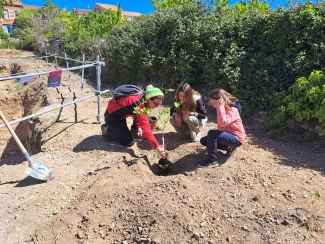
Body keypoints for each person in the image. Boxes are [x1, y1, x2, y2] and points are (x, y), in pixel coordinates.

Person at [101, 84, 168, 159]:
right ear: (149, 99)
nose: (157, 106)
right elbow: (146, 128)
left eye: (159, 104)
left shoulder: (143, 98)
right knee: (128, 142)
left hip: (122, 115)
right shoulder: (138, 103)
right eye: (156, 104)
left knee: (138, 128)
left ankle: (132, 131)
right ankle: (107, 131)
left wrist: (138, 126)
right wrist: (158, 148)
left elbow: (136, 112)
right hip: (113, 117)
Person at [198, 88, 246, 168]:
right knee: (204, 141)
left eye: (214, 103)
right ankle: (229, 147)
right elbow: (221, 126)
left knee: (212, 134)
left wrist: (220, 107)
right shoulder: (223, 108)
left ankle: (212, 161)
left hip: (236, 138)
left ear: (221, 100)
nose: (213, 105)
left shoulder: (233, 110)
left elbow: (223, 123)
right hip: (228, 136)